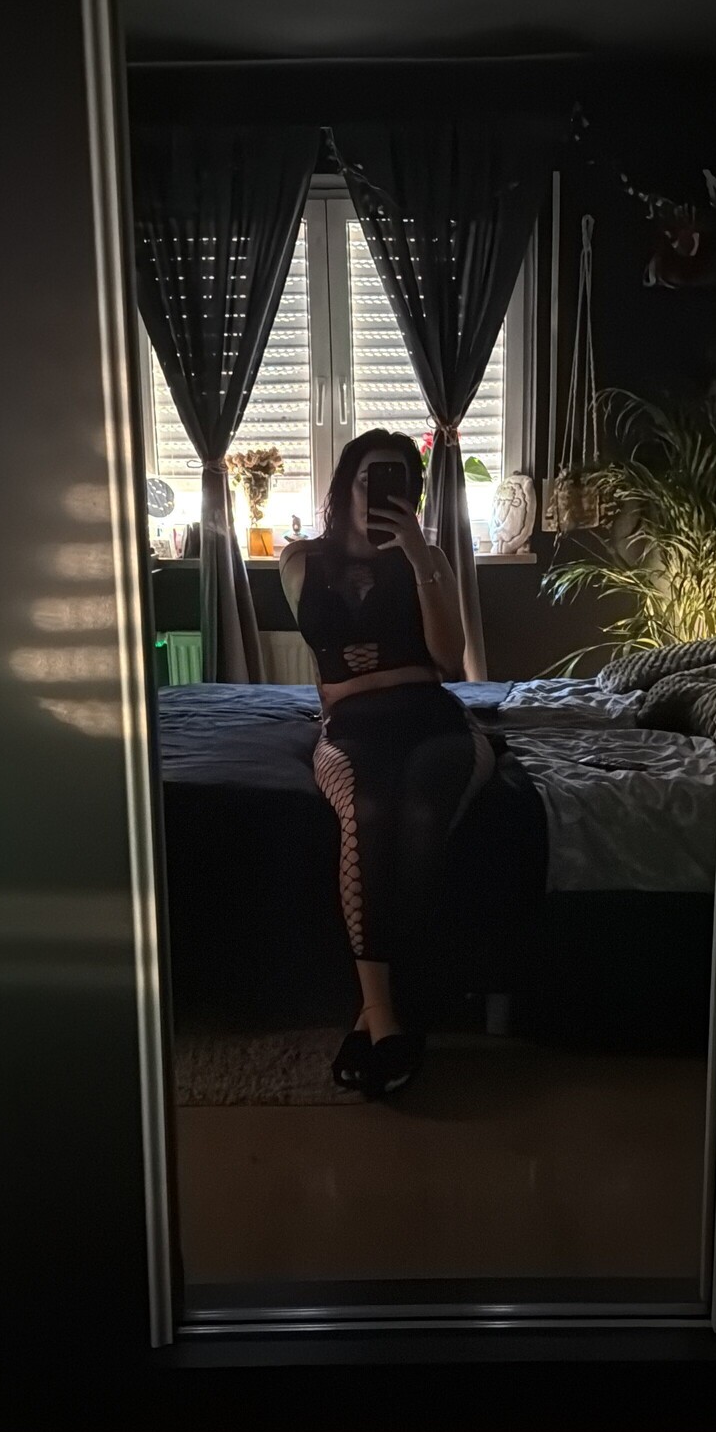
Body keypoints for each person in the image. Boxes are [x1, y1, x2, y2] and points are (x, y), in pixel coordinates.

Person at [279, 429, 496, 1098]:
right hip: (351, 725)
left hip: (431, 717)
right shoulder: (299, 559)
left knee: (425, 808)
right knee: (365, 809)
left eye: (398, 479)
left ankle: (380, 1013)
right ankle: (385, 1010)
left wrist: (418, 556)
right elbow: (325, 648)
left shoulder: (426, 557)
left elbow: (449, 658)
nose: (380, 490)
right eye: (370, 477)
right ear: (346, 484)